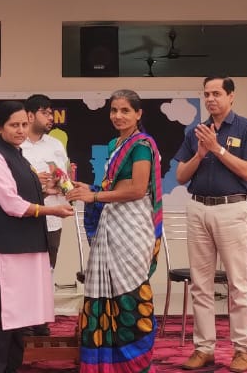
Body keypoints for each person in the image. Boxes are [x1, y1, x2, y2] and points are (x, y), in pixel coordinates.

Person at [65, 89, 163, 373]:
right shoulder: (114, 144)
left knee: (130, 293)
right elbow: (114, 187)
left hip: (133, 227)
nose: (118, 116)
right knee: (106, 292)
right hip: (113, 223)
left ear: (138, 114)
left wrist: (94, 196)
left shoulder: (141, 145)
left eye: (125, 110)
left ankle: (135, 362)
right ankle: (107, 363)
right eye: (114, 110)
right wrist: (91, 188)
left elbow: (137, 189)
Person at [0, 101, 75, 373]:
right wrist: (52, 209)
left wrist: (49, 190)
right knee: (2, 319)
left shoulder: (19, 157)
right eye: (13, 125)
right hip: (4, 250)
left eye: (23, 124)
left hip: (26, 246)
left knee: (20, 319)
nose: (20, 130)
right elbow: (11, 204)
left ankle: (12, 368)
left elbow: (25, 195)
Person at [174, 76, 247, 373]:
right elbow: (181, 176)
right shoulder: (195, 131)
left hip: (232, 208)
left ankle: (243, 350)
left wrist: (217, 149)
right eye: (207, 94)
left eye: (217, 93)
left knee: (238, 283)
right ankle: (204, 348)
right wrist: (200, 154)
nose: (211, 99)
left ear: (231, 96)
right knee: (200, 285)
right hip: (199, 207)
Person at [19, 94, 71, 337]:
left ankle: (41, 319)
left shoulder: (55, 145)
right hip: (24, 218)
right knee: (22, 270)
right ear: (30, 116)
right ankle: (21, 319)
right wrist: (33, 183)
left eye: (51, 112)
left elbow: (66, 180)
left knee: (47, 270)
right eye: (45, 112)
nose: (51, 117)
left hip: (52, 218)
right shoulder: (17, 145)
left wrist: (63, 182)